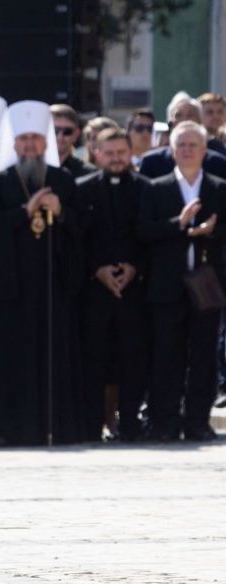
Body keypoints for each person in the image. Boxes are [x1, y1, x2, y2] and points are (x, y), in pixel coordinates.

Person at [0, 101, 84, 445]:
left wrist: (62, 211)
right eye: (23, 139)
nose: (29, 145)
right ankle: (11, 429)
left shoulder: (64, 181)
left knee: (54, 355)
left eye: (36, 139)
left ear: (46, 144)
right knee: (12, 358)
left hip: (54, 286)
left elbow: (85, 229)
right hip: (12, 289)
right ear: (13, 143)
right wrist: (26, 211)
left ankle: (56, 426)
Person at [137, 120, 226, 442]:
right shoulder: (155, 187)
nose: (187, 151)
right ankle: (165, 422)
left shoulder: (219, 187)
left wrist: (211, 231)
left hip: (206, 284)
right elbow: (144, 231)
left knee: (204, 356)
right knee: (166, 355)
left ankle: (198, 422)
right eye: (182, 146)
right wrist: (180, 225)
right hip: (167, 286)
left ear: (205, 150)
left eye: (194, 145)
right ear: (172, 151)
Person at [75, 129, 150, 442]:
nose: (117, 158)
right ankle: (92, 425)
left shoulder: (148, 189)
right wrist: (97, 270)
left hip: (135, 291)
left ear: (130, 153)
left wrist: (136, 268)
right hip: (95, 291)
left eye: (122, 152)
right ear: (97, 154)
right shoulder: (82, 189)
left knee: (134, 360)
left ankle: (130, 424)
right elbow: (77, 239)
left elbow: (151, 236)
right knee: (93, 360)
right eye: (110, 153)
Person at [139, 93, 226, 179]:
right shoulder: (151, 162)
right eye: (178, 115)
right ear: (171, 122)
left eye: (190, 115)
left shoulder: (218, 162)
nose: (184, 119)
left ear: (199, 121)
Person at [50, 104, 96, 178]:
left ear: (76, 135)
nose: (60, 137)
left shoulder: (89, 174)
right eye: (55, 130)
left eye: (67, 131)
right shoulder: (27, 172)